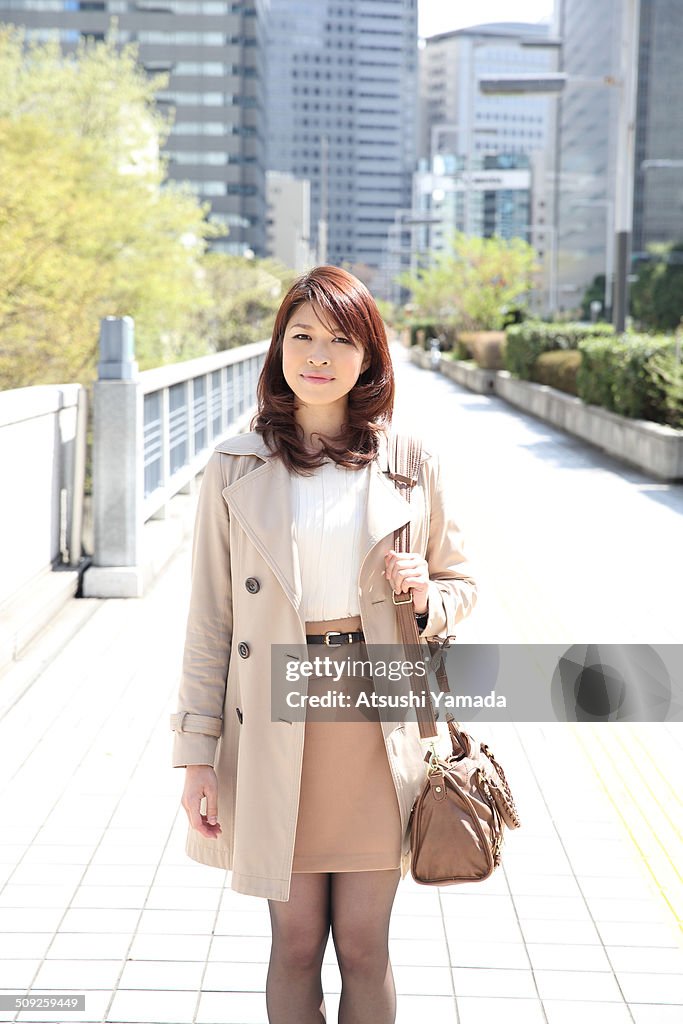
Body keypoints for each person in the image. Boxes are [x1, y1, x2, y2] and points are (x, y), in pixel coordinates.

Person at [170, 265, 478, 1023]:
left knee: (366, 947)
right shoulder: (236, 464)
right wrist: (195, 755)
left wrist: (424, 595)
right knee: (296, 945)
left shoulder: (410, 462)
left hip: (377, 724)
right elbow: (210, 619)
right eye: (301, 336)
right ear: (279, 349)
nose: (317, 354)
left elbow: (461, 585)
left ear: (368, 356)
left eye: (340, 339)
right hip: (274, 724)